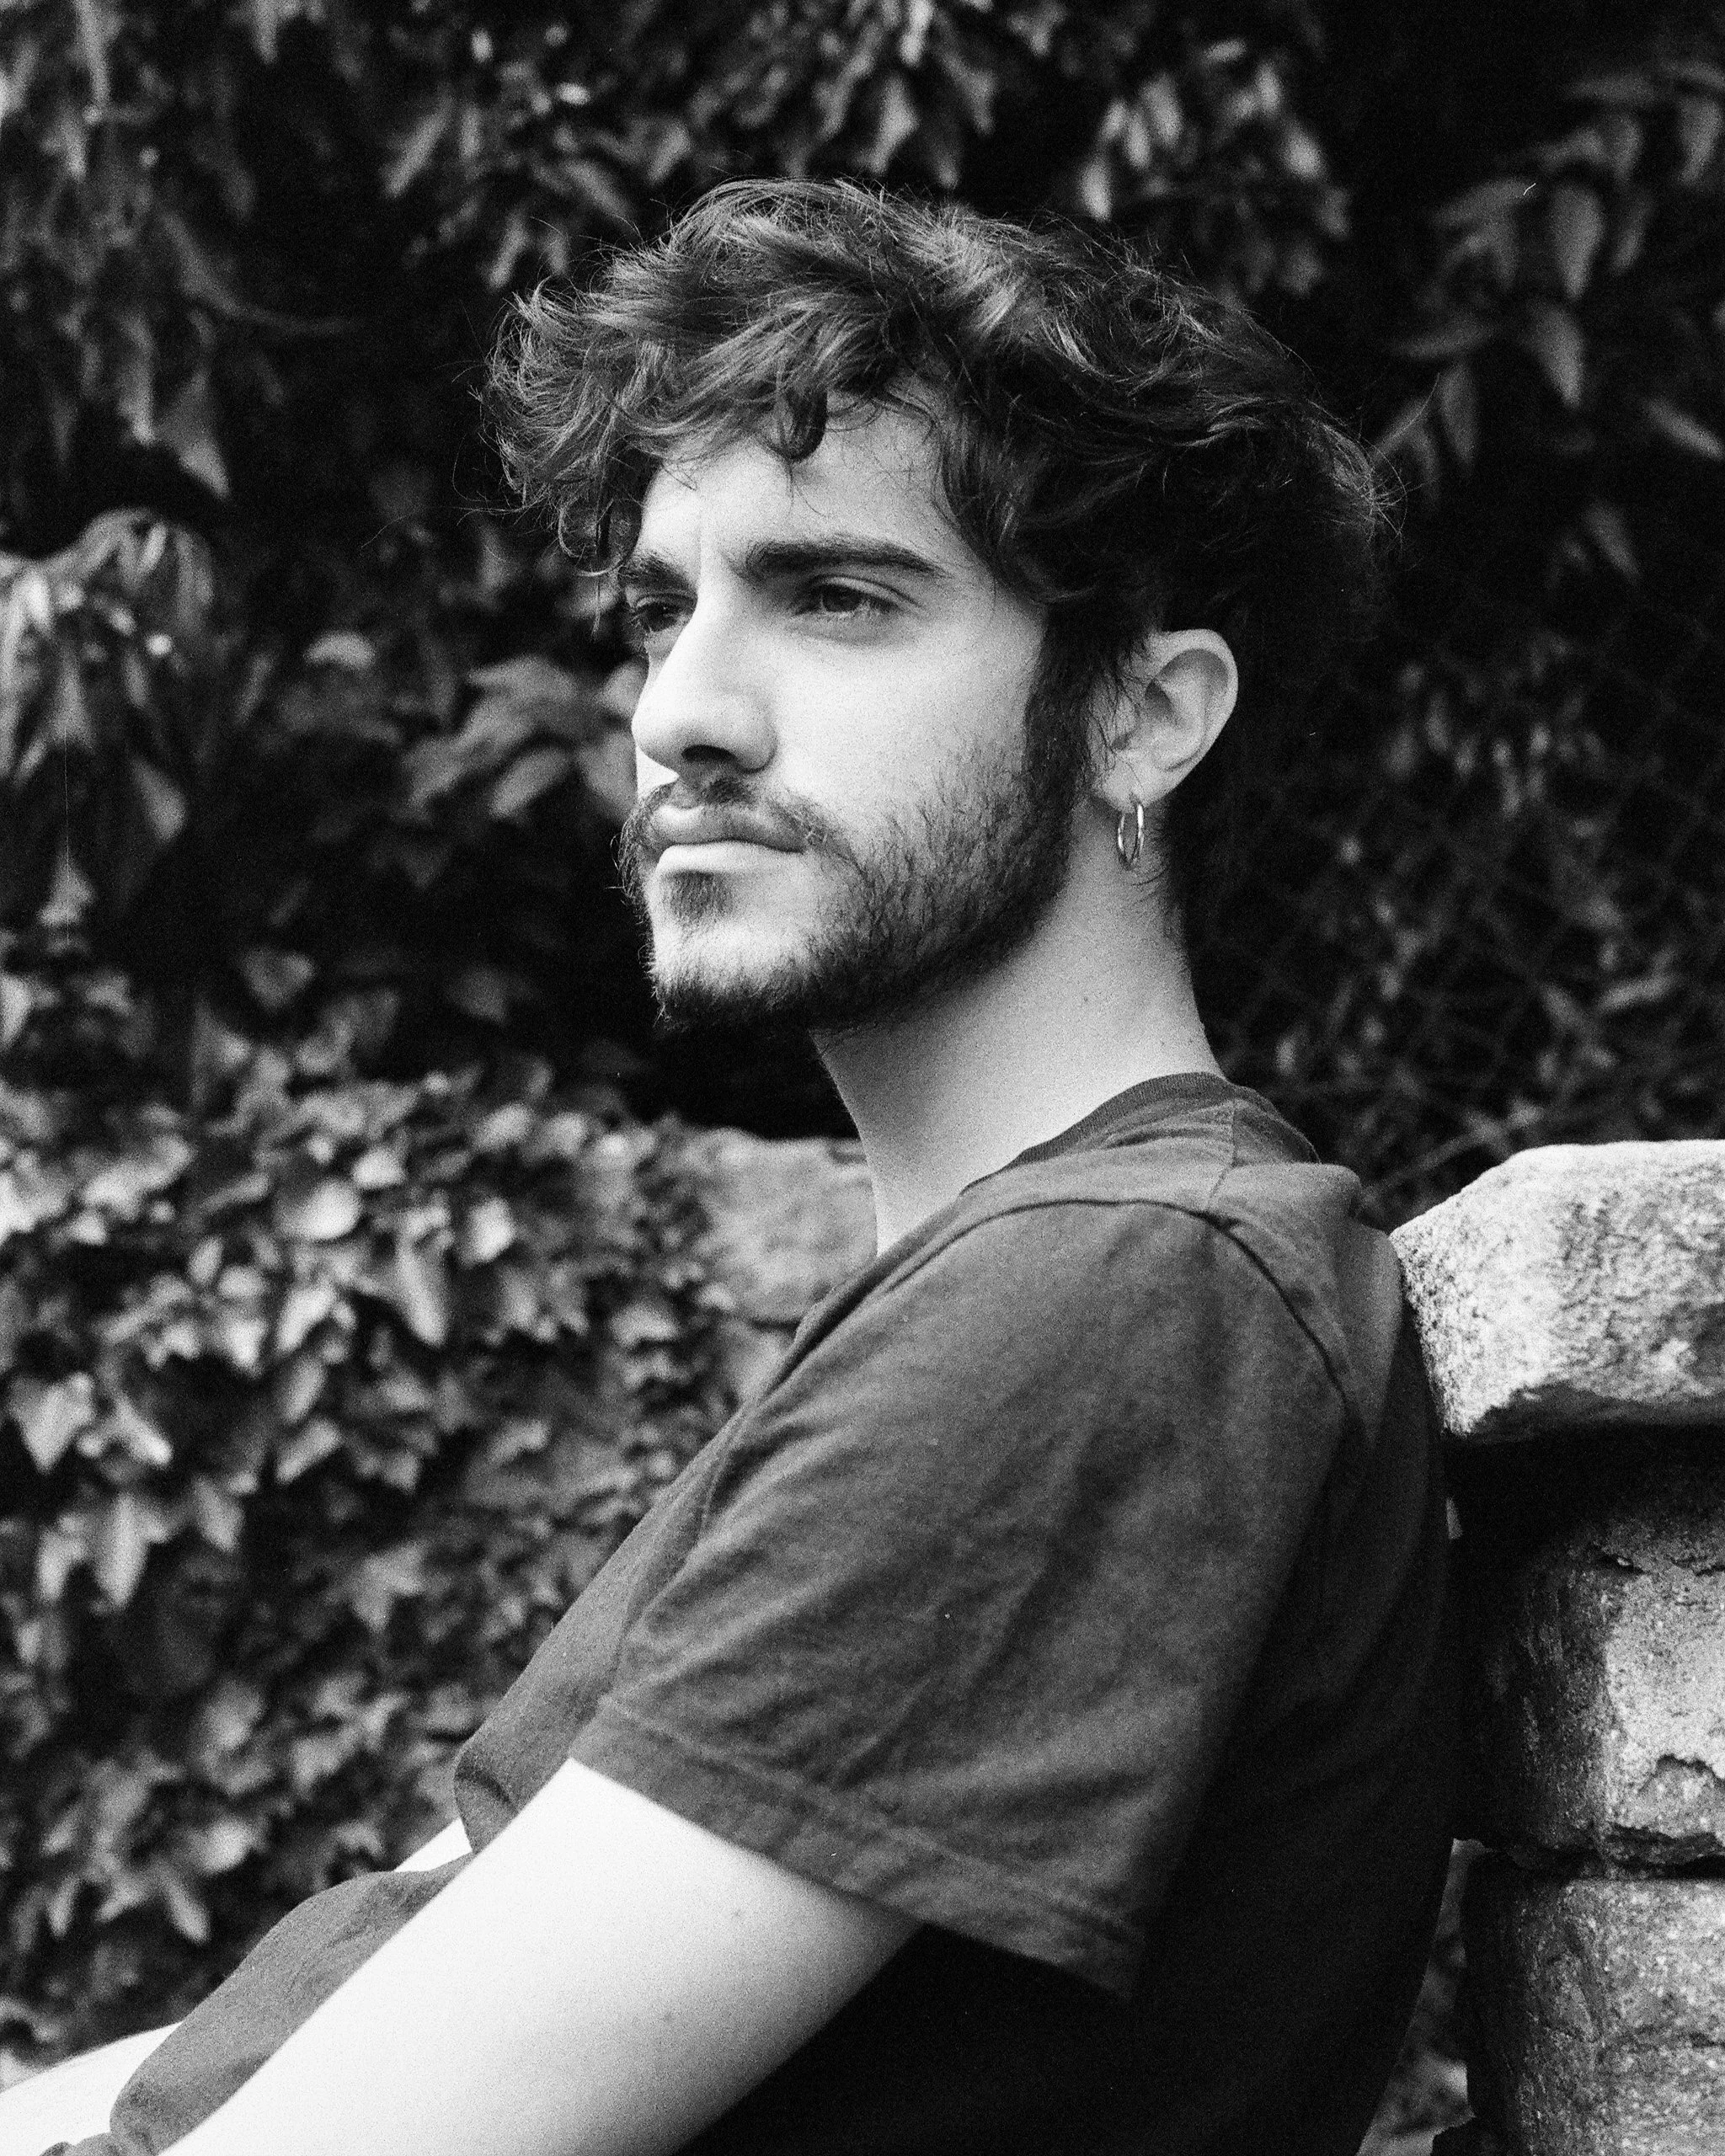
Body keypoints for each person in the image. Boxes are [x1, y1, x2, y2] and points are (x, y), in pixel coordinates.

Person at [19, 179, 1455, 2156]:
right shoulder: (977, 1301)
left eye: (838, 595)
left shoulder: (1126, 1292)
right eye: (658, 609)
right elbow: (302, 2031)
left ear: (1143, 711)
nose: (683, 709)